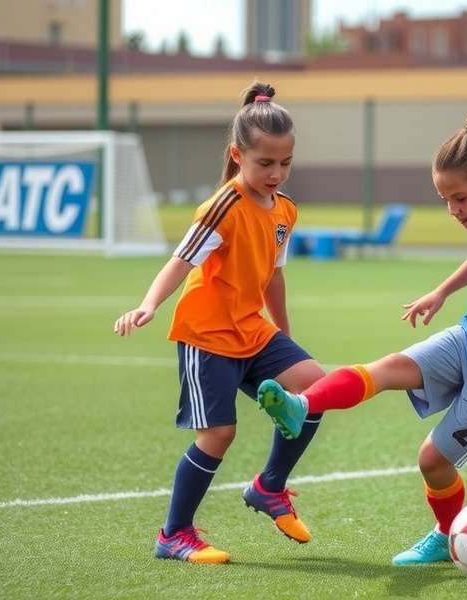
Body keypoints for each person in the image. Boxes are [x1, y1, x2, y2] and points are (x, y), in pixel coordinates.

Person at [254, 95, 467, 566]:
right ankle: (300, 406)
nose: (453, 209)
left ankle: (445, 534)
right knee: (388, 367)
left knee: (432, 460)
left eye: (460, 198)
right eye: (445, 200)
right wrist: (441, 292)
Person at [113, 82, 326, 564]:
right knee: (219, 434)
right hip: (206, 335)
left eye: (285, 162)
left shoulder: (285, 211)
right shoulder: (222, 206)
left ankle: (270, 486)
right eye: (265, 163)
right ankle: (174, 534)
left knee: (315, 385)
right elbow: (180, 261)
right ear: (238, 155)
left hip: (252, 329)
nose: (276, 173)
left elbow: (272, 275)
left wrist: (285, 334)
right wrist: (149, 304)